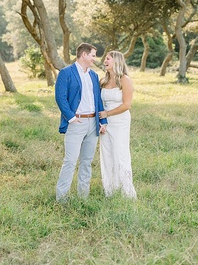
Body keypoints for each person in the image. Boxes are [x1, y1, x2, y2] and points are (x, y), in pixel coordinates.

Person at [55, 43, 107, 201]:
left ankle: (83, 197)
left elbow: (97, 99)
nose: (94, 59)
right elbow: (60, 98)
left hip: (93, 123)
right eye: (93, 55)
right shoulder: (66, 73)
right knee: (70, 161)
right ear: (83, 55)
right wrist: (71, 118)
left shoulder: (93, 76)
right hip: (76, 122)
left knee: (87, 161)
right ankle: (62, 199)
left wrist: (102, 120)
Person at [98, 50, 137, 198]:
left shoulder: (125, 80)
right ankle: (110, 190)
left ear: (117, 61)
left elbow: (127, 105)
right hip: (106, 123)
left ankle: (127, 192)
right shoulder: (103, 80)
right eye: (105, 59)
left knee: (120, 154)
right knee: (106, 154)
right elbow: (100, 104)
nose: (105, 61)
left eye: (108, 59)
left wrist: (107, 114)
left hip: (120, 121)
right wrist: (102, 121)